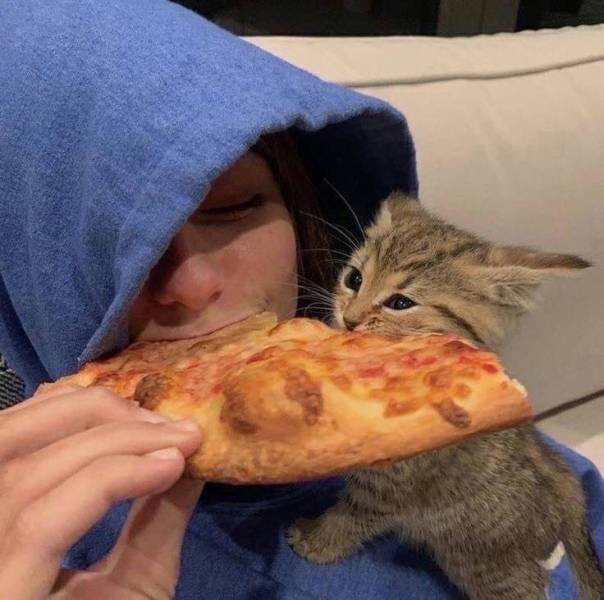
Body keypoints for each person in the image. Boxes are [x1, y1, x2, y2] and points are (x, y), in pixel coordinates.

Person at [0, 1, 602, 599]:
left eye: (235, 207)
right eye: (114, 241)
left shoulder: (416, 400)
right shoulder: (38, 550)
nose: (192, 284)